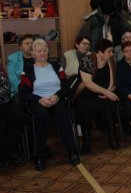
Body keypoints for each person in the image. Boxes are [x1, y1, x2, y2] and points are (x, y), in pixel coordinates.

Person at [19, 39, 80, 171]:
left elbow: (66, 87)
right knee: (41, 116)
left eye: (44, 50)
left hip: (57, 98)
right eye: (38, 51)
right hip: (38, 100)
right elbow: (24, 94)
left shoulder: (56, 66)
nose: (42, 53)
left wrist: (57, 96)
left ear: (48, 51)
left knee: (62, 114)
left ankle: (72, 151)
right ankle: (39, 155)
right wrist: (40, 99)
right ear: (33, 54)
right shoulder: (27, 70)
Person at [76, 38, 120, 154]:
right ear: (100, 52)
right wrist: (107, 93)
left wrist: (109, 91)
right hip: (88, 93)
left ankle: (112, 138)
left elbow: (114, 82)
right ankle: (87, 142)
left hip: (105, 93)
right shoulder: (87, 60)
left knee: (108, 105)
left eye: (112, 51)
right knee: (85, 108)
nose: (112, 54)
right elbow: (88, 83)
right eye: (109, 51)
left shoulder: (111, 60)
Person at [0, 64, 26, 167]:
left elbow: (7, 85)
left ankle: (9, 150)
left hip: (6, 103)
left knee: (19, 118)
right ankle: (5, 154)